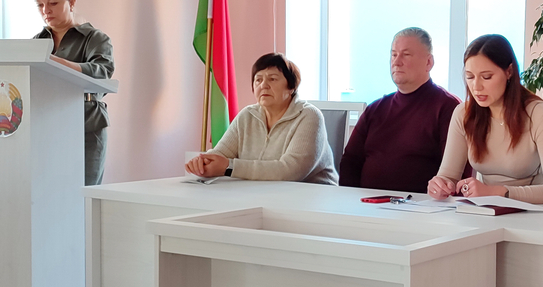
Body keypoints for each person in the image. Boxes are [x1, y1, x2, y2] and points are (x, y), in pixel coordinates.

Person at [428, 34, 543, 205]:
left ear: (509, 72)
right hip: (484, 210)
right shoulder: (463, 113)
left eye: (487, 77)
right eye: (470, 77)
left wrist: (496, 192)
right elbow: (448, 176)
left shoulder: (538, 113)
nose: (476, 87)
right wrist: (439, 185)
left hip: (533, 212)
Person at [338, 27, 462, 192]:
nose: (396, 62)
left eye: (406, 54)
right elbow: (350, 162)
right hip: (366, 202)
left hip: (421, 204)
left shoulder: (449, 108)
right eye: (394, 55)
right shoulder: (375, 109)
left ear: (429, 62)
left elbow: (455, 175)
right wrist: (351, 199)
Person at [185, 53, 337, 185]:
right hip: (262, 194)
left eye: (272, 79)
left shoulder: (309, 116)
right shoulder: (247, 116)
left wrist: (229, 167)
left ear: (291, 87)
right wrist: (203, 162)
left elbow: (291, 171)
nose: (264, 85)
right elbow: (221, 155)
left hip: (313, 197)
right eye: (258, 80)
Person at [30, 0, 115, 186]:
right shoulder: (35, 43)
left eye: (53, 3)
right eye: (40, 5)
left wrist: (53, 62)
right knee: (48, 194)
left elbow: (102, 73)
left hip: (86, 127)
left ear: (71, 2)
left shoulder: (95, 38)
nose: (46, 10)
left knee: (82, 195)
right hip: (45, 126)